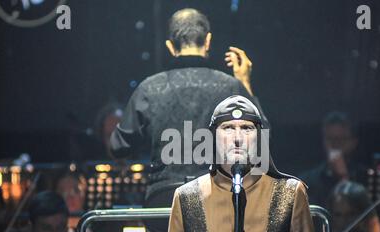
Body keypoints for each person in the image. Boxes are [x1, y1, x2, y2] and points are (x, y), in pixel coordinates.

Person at [159, 95, 321, 232]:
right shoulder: (187, 197)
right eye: (227, 128)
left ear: (260, 137)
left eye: (247, 128)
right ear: (213, 137)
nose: (237, 137)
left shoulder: (289, 193)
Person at [109, 8, 268, 204]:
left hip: (164, 206)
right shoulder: (230, 87)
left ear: (169, 46)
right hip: (215, 204)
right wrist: (245, 83)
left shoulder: (149, 88)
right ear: (208, 41)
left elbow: (118, 146)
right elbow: (261, 142)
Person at [301, 112, 366, 209]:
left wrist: (343, 177)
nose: (335, 144)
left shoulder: (364, 176)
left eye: (341, 139)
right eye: (330, 139)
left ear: (354, 142)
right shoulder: (307, 180)